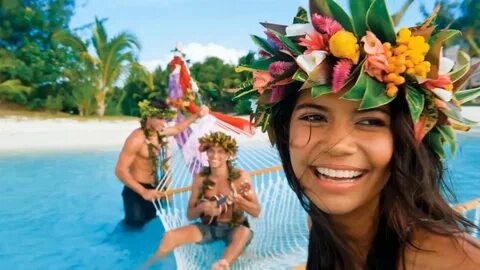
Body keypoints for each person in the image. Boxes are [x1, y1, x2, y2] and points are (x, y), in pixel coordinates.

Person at [238, 1, 480, 269]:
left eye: (370, 121)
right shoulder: (321, 224)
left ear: (407, 140)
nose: (338, 145)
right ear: (285, 133)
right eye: (314, 117)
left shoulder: (457, 262)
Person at [149, 131, 260, 269]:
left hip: (235, 227)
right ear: (206, 153)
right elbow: (190, 214)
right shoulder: (201, 179)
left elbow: (256, 212)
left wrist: (240, 201)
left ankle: (222, 265)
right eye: (211, 151)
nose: (214, 155)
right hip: (209, 226)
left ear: (228, 155)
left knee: (245, 232)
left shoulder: (240, 177)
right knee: (170, 237)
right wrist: (202, 208)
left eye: (220, 151)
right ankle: (150, 265)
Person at [115, 98, 209, 227]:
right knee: (133, 229)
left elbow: (177, 129)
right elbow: (120, 171)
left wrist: (197, 114)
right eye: (160, 118)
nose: (164, 123)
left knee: (149, 225)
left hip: (153, 190)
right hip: (136, 192)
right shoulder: (136, 139)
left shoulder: (158, 133)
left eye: (165, 119)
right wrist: (143, 192)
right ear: (148, 116)